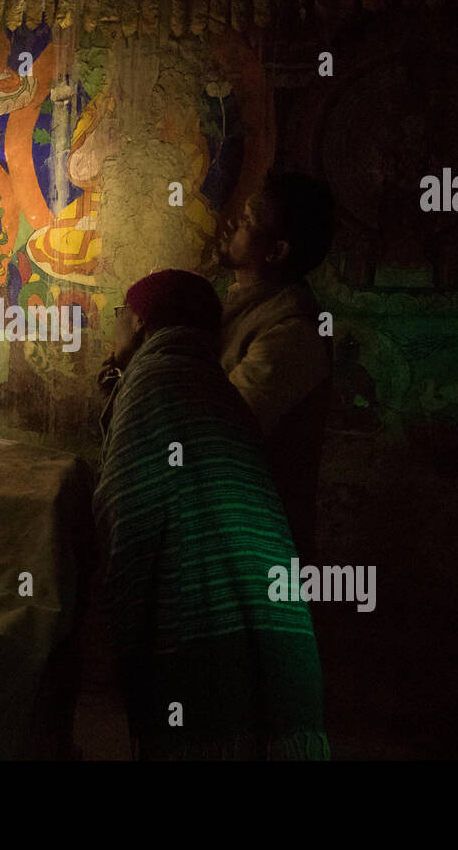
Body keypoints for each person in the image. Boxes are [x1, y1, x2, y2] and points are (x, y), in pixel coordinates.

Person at [93, 269, 329, 760]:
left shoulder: (152, 383)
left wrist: (126, 638)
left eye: (120, 313)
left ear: (140, 323)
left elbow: (129, 522)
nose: (113, 323)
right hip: (277, 619)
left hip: (200, 624)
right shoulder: (210, 383)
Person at [216, 170, 337, 563]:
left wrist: (140, 361)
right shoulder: (245, 303)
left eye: (248, 221)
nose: (232, 222)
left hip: (256, 547)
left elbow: (219, 429)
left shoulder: (291, 334)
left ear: (276, 251)